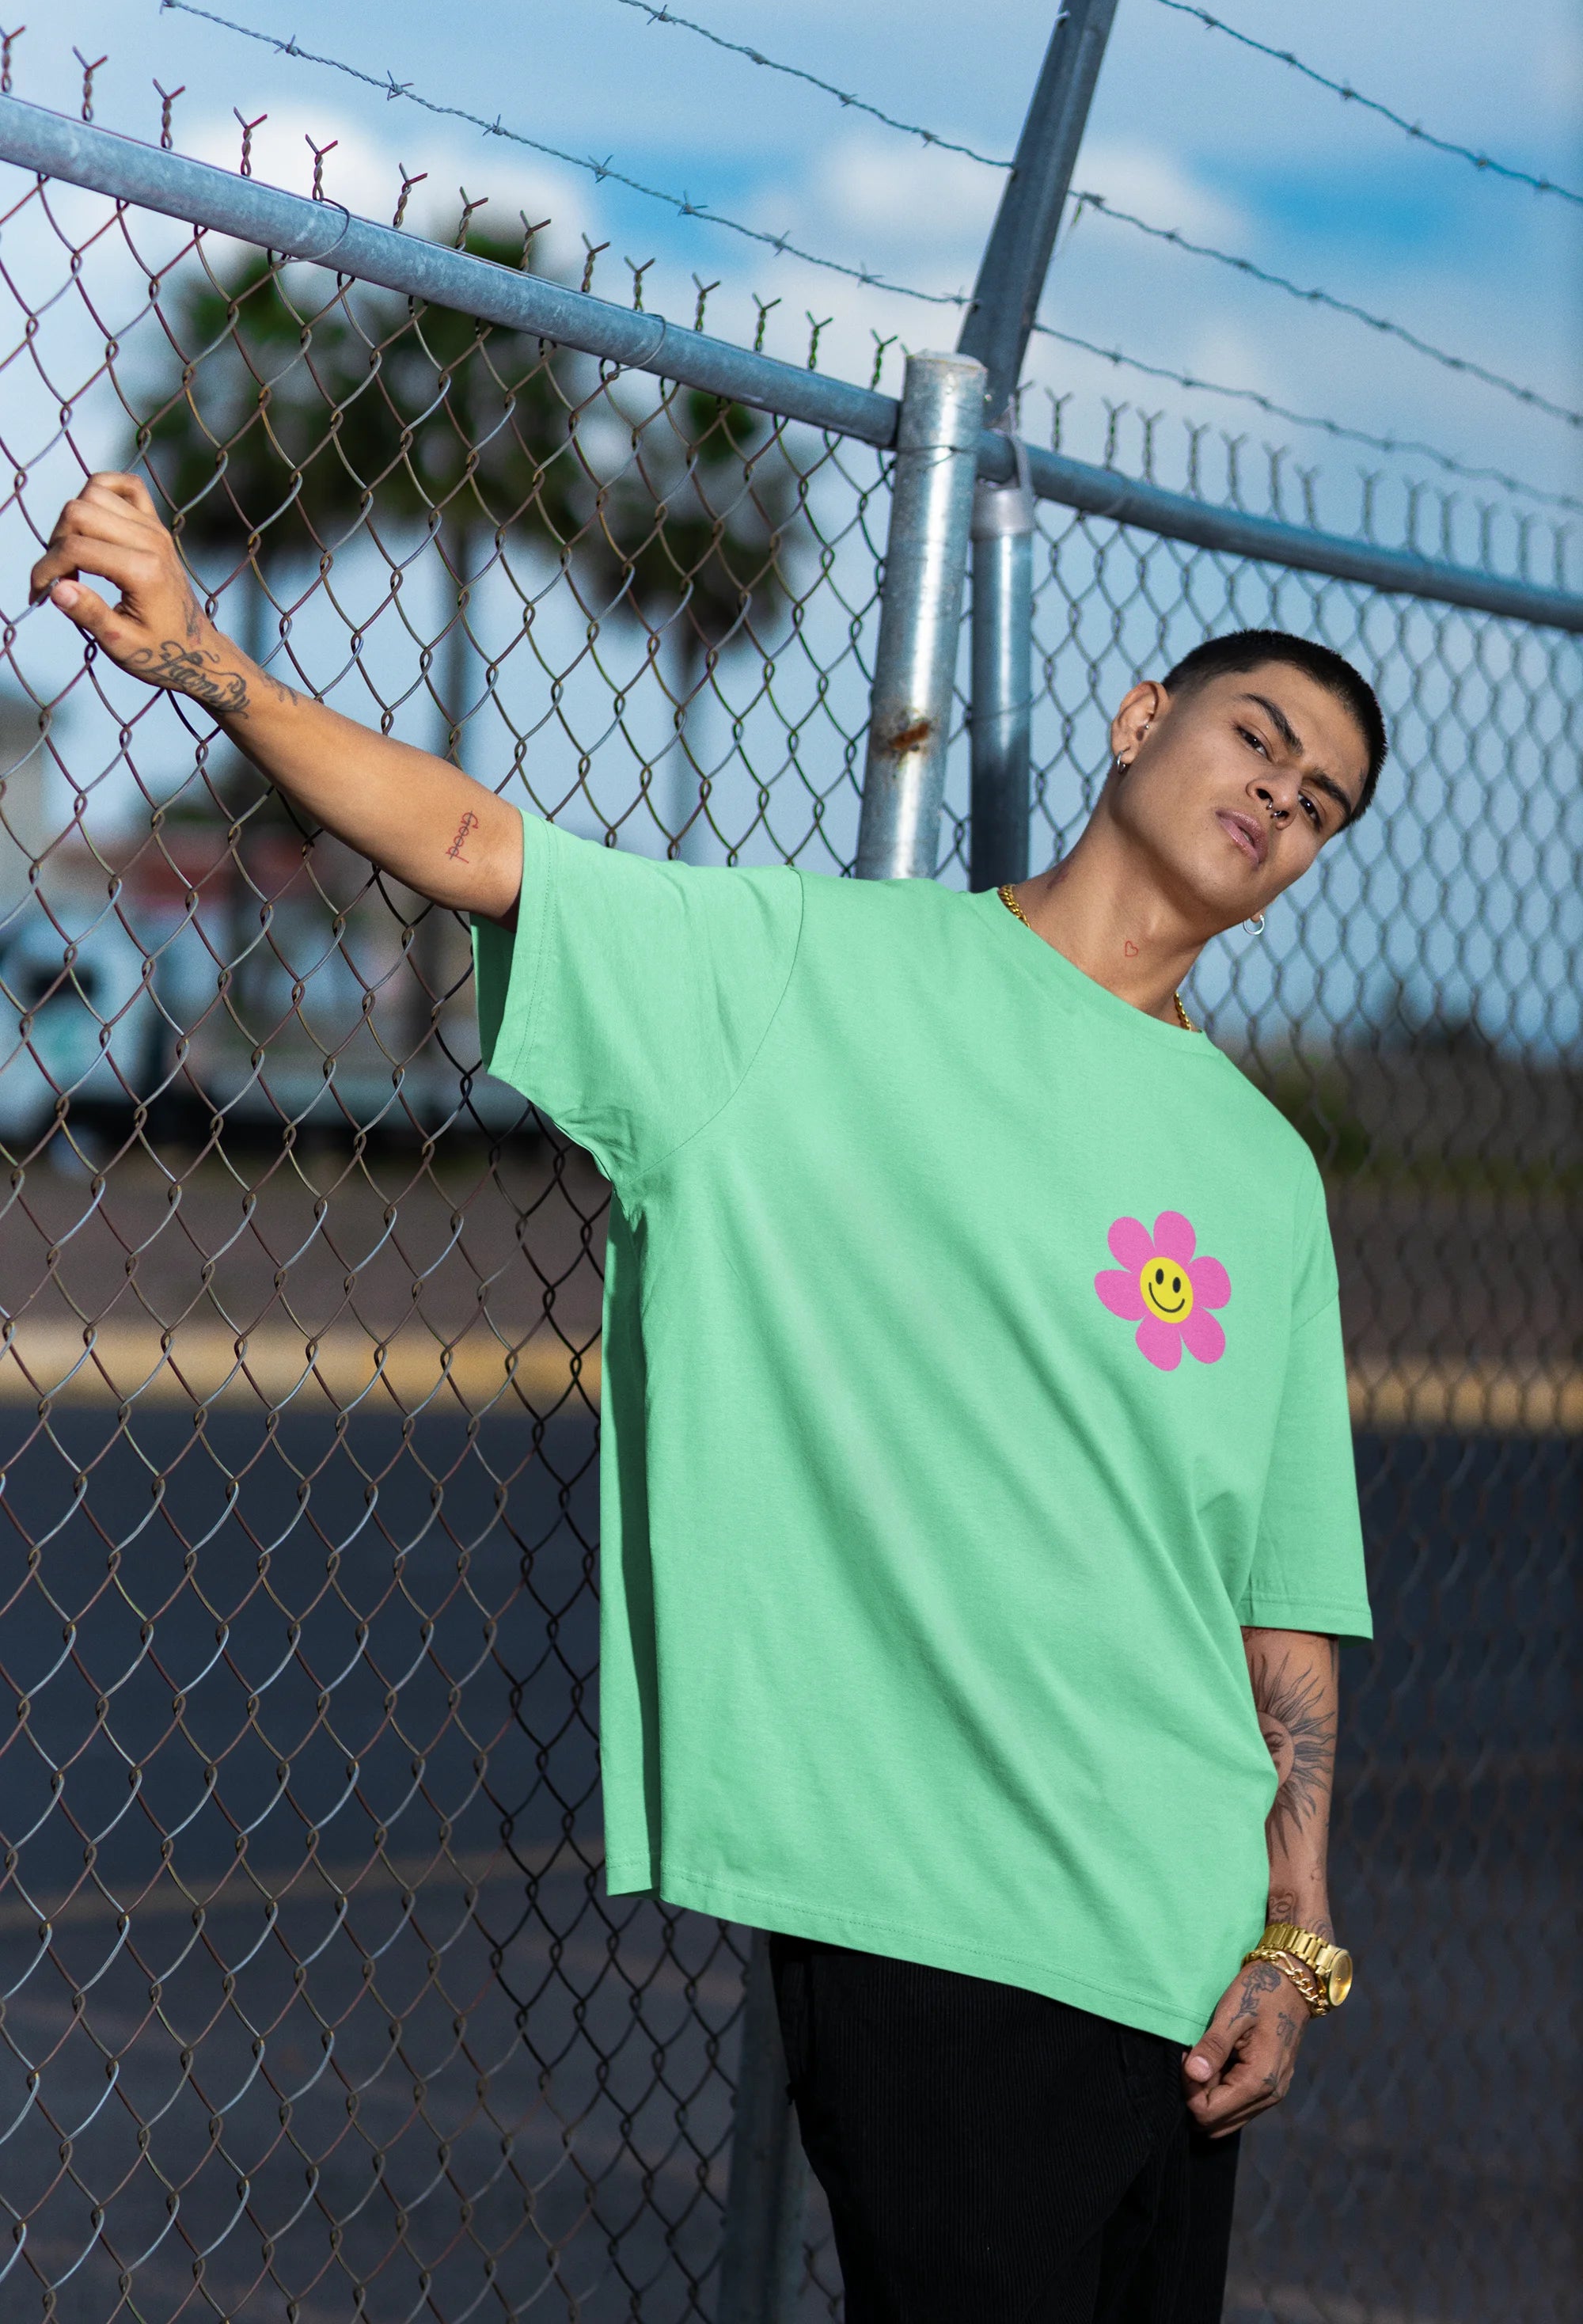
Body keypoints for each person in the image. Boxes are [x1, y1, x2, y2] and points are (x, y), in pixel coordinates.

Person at [32, 472, 1379, 2324]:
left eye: (1319, 806)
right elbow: (482, 843)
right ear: (1142, 720)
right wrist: (208, 666)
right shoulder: (808, 977)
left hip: (1187, 1939)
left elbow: (1279, 1588)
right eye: (1260, 739)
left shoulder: (1260, 1168)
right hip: (941, 1901)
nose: (1278, 801)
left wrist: (1291, 1929)